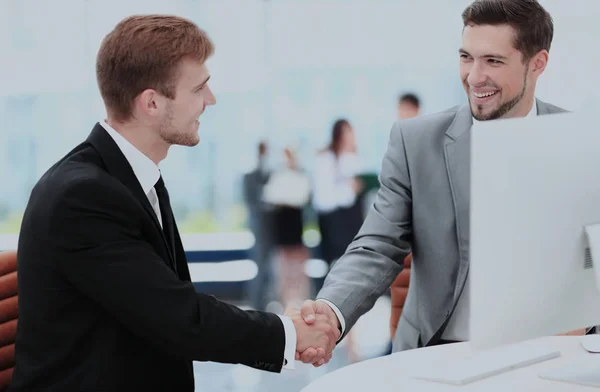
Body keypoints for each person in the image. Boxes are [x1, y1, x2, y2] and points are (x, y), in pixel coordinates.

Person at [9, 15, 337, 391]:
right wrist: (289, 334)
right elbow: (179, 318)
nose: (210, 101)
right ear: (151, 103)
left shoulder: (130, 175)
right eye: (199, 89)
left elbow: (166, 303)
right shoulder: (81, 197)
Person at [295, 0, 584, 364]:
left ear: (537, 63)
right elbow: (377, 246)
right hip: (442, 354)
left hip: (554, 354)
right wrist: (331, 312)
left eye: (493, 61)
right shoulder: (415, 142)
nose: (474, 76)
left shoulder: (581, 140)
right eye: (467, 57)